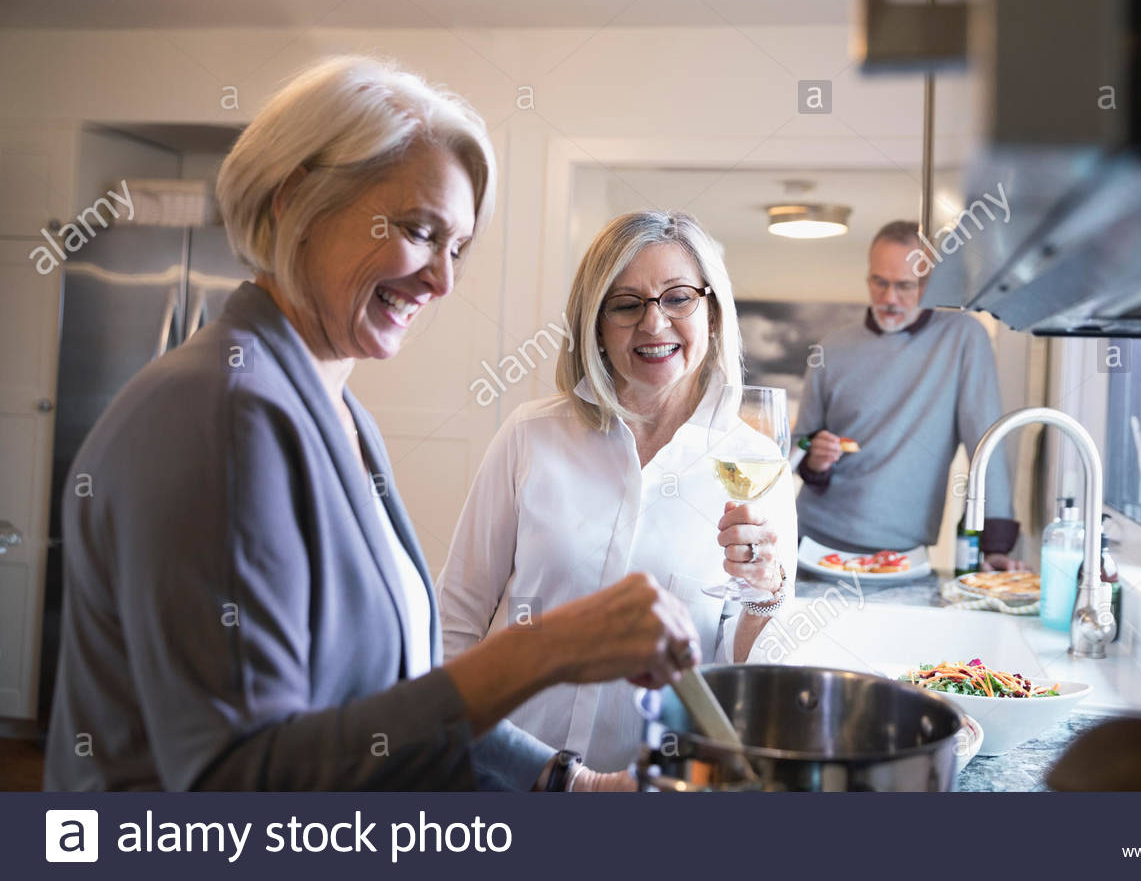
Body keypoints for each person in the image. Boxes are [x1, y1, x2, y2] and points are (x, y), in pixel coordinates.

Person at [43, 56, 701, 792]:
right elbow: (235, 783)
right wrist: (544, 650)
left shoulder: (341, 415)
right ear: (297, 201)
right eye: (419, 231)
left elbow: (401, 699)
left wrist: (570, 786)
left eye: (458, 249)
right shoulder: (223, 414)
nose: (443, 280)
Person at [436, 211, 797, 772]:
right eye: (626, 304)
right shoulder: (531, 435)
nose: (654, 325)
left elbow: (744, 681)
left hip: (657, 782)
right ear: (595, 325)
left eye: (678, 298)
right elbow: (457, 617)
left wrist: (766, 593)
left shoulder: (754, 462)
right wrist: (453, 752)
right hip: (510, 772)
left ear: (713, 312)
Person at [793, 219, 1021, 569]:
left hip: (901, 551)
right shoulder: (833, 348)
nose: (889, 299)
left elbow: (986, 445)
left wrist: (995, 545)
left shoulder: (963, 339)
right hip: (811, 541)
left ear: (931, 283)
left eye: (905, 286)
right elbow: (801, 442)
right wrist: (815, 458)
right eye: (879, 283)